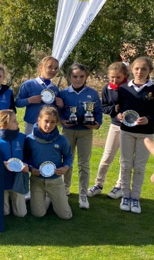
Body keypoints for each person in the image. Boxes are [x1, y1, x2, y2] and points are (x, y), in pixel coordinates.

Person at [59, 63, 102, 209]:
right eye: (75, 76)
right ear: (69, 77)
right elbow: (59, 111)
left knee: (84, 164)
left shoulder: (93, 93)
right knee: (67, 161)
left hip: (85, 131)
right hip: (68, 131)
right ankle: (65, 189)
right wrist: (61, 120)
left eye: (81, 76)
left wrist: (96, 124)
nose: (78, 79)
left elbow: (98, 113)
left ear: (86, 77)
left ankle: (83, 194)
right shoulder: (64, 93)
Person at [117, 56, 154, 214]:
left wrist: (149, 119)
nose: (140, 72)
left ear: (150, 71)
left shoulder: (153, 90)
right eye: (137, 68)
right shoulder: (124, 88)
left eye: (144, 69)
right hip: (127, 132)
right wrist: (119, 115)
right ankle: (125, 196)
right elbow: (119, 108)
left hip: (146, 135)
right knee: (125, 165)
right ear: (132, 69)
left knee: (139, 167)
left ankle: (135, 198)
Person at [87, 62, 129, 199]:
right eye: (112, 77)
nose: (114, 80)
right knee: (106, 157)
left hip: (129, 128)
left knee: (125, 159)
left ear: (125, 76)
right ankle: (98, 185)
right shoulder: (107, 88)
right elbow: (104, 107)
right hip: (115, 126)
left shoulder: (129, 88)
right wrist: (114, 111)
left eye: (118, 77)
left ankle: (120, 186)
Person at [25, 106, 73, 219]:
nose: (48, 125)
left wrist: (66, 167)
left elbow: (68, 156)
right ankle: (48, 198)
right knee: (38, 214)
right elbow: (26, 157)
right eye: (46, 121)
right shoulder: (30, 139)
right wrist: (31, 168)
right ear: (39, 120)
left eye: (52, 122)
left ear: (56, 123)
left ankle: (55, 197)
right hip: (37, 181)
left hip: (55, 181)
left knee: (66, 216)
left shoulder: (62, 140)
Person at [0, 109, 28, 217]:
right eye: (14, 121)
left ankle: (16, 199)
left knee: (21, 214)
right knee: (5, 213)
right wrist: (2, 164)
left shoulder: (22, 137)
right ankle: (6, 200)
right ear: (4, 125)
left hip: (18, 178)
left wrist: (27, 166)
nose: (17, 123)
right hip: (1, 179)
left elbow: (28, 157)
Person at [15, 56, 63, 135]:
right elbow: (18, 103)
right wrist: (29, 100)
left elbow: (56, 109)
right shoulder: (28, 84)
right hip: (31, 125)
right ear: (41, 68)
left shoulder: (55, 89)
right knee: (30, 146)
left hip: (49, 126)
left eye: (56, 68)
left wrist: (61, 105)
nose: (53, 70)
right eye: (50, 67)